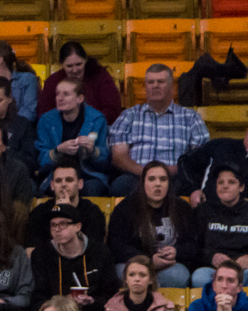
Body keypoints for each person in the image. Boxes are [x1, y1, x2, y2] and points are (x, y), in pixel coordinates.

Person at [109, 64, 210, 197]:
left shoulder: (191, 117)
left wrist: (170, 171)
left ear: (171, 86)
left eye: (160, 82)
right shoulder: (128, 115)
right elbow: (119, 157)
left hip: (175, 178)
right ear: (145, 86)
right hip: (138, 177)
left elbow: (200, 156)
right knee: (120, 185)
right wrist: (147, 173)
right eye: (150, 82)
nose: (155, 85)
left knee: (189, 186)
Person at [27, 203, 120, 311]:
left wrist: (92, 301)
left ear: (78, 226)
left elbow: (112, 296)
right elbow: (38, 295)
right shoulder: (41, 254)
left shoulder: (101, 253)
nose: (57, 229)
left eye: (63, 224)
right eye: (53, 225)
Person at [106, 160, 198, 287]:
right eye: (152, 179)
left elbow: (194, 245)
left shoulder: (182, 208)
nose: (158, 184)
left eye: (163, 179)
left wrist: (177, 251)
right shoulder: (125, 208)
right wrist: (148, 260)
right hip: (135, 263)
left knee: (178, 276)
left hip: (170, 265)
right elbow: (116, 245)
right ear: (143, 182)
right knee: (119, 273)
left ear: (169, 183)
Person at [35, 77, 111, 196]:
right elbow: (41, 160)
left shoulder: (97, 119)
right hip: (56, 175)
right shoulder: (46, 120)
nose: (60, 98)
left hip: (87, 175)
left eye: (66, 94)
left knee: (93, 189)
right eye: (57, 94)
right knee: (50, 190)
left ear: (79, 98)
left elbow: (105, 163)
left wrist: (92, 151)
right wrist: (58, 150)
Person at [26, 161, 108, 253]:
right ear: (52, 185)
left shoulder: (93, 212)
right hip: (48, 265)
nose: (63, 185)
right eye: (58, 181)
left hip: (82, 264)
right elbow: (31, 250)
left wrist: (69, 213)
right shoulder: (40, 212)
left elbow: (94, 250)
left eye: (69, 180)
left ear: (80, 184)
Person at [39, 41, 124, 127]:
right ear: (62, 64)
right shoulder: (52, 82)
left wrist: (88, 123)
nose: (75, 70)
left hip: (96, 129)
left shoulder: (100, 76)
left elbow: (112, 110)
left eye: (79, 64)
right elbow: (44, 114)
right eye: (69, 66)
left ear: (85, 60)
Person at [193, 165, 248, 288]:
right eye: (220, 182)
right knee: (199, 277)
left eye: (232, 182)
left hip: (244, 270)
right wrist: (211, 257)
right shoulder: (204, 211)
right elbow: (193, 247)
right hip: (213, 269)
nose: (225, 186)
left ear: (241, 187)